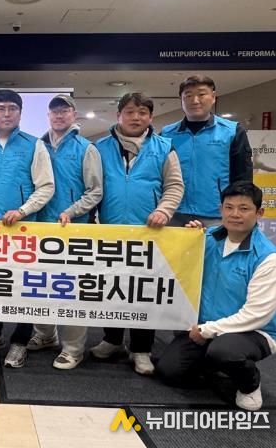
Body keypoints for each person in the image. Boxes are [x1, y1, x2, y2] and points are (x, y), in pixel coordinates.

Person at [156, 181, 276, 411]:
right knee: (169, 370)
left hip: (252, 332)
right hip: (205, 327)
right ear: (221, 209)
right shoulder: (207, 237)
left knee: (225, 352)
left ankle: (249, 384)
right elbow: (179, 268)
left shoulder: (269, 259)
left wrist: (207, 330)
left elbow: (256, 315)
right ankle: (214, 367)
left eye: (244, 208)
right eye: (229, 207)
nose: (235, 214)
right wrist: (187, 239)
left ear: (259, 213)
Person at [90, 92, 184, 375]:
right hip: (111, 232)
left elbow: (174, 185)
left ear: (150, 117)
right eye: (130, 112)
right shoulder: (100, 147)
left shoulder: (164, 147)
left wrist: (164, 211)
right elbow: (91, 187)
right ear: (118, 115)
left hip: (149, 233)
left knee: (144, 291)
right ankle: (112, 340)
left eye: (142, 112)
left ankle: (141, 349)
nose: (136, 117)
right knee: (112, 288)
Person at [0, 89, 55, 368]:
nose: (6, 114)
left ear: (20, 113)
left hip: (22, 231)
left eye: (12, 108)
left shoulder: (34, 145)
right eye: (0, 108)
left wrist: (22, 211)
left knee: (23, 287)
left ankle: (19, 342)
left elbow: (46, 186)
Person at [29, 94, 103, 370]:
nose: (59, 115)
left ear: (74, 114)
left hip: (73, 229)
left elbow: (95, 191)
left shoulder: (86, 148)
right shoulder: (37, 146)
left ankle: (72, 348)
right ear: (48, 116)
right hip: (40, 226)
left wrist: (71, 211)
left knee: (70, 290)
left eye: (64, 110)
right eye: (54, 111)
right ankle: (45, 334)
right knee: (39, 285)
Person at [161, 75, 253, 227]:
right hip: (173, 214)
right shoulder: (166, 134)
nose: (195, 100)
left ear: (213, 97)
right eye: (188, 95)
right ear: (181, 100)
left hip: (217, 215)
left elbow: (243, 177)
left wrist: (236, 211)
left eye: (201, 94)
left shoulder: (232, 131)